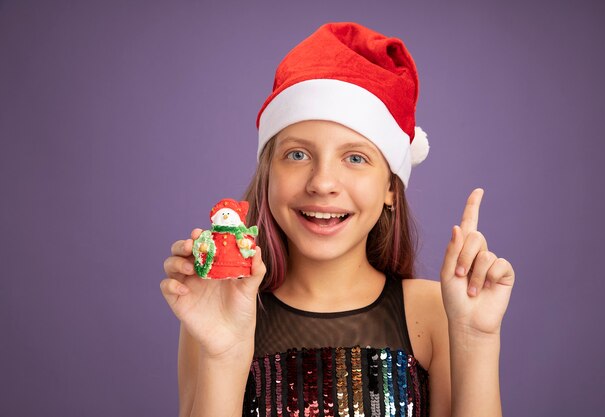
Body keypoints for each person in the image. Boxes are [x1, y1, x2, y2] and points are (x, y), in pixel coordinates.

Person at [161, 22, 515, 417]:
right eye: (297, 154)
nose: (323, 183)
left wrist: (475, 338)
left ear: (391, 189)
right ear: (267, 175)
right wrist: (221, 354)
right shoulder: (218, 308)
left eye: (355, 158)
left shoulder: (437, 312)